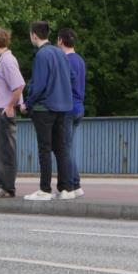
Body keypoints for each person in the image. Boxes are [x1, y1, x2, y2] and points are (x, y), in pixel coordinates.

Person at [23, 21, 74, 201]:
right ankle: (66, 188)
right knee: (60, 148)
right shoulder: (60, 53)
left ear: (34, 35)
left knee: (44, 149)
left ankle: (45, 189)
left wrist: (27, 104)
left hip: (44, 108)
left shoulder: (42, 55)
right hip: (64, 107)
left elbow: (39, 84)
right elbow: (71, 76)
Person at [0, 27, 25, 198]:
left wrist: (10, 106)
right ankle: (0, 185)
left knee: (4, 151)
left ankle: (6, 187)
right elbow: (15, 86)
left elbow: (19, 85)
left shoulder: (7, 61)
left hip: (2, 111)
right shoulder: (5, 60)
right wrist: (20, 103)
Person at [58, 28, 87, 198]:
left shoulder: (65, 60)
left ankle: (69, 187)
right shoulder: (80, 60)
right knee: (69, 148)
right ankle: (76, 185)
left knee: (65, 149)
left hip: (67, 108)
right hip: (79, 107)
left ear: (61, 40)